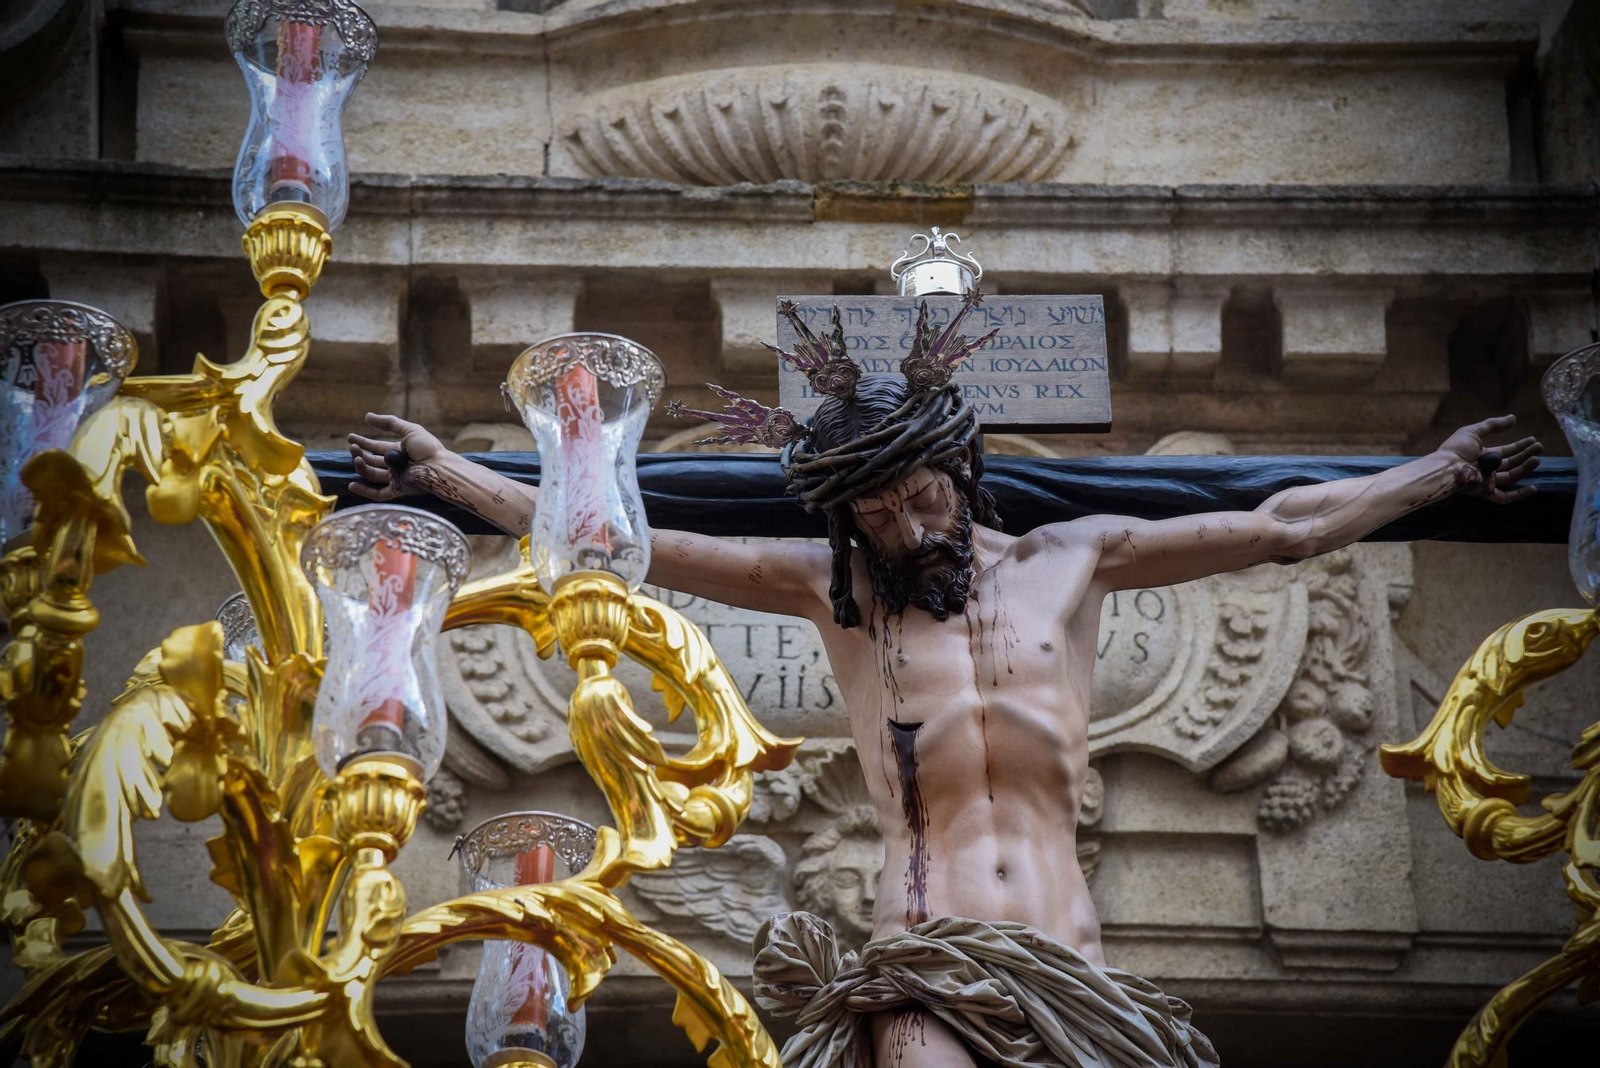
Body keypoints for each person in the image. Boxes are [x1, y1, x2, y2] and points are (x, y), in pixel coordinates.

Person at [347, 293, 1541, 1068]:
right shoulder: (838, 593)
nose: (906, 528)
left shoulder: (1075, 559)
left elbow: (1284, 523)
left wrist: (1434, 472)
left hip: (1077, 972)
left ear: (959, 470)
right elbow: (629, 544)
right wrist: (453, 476)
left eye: (918, 497)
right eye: (873, 513)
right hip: (925, 963)